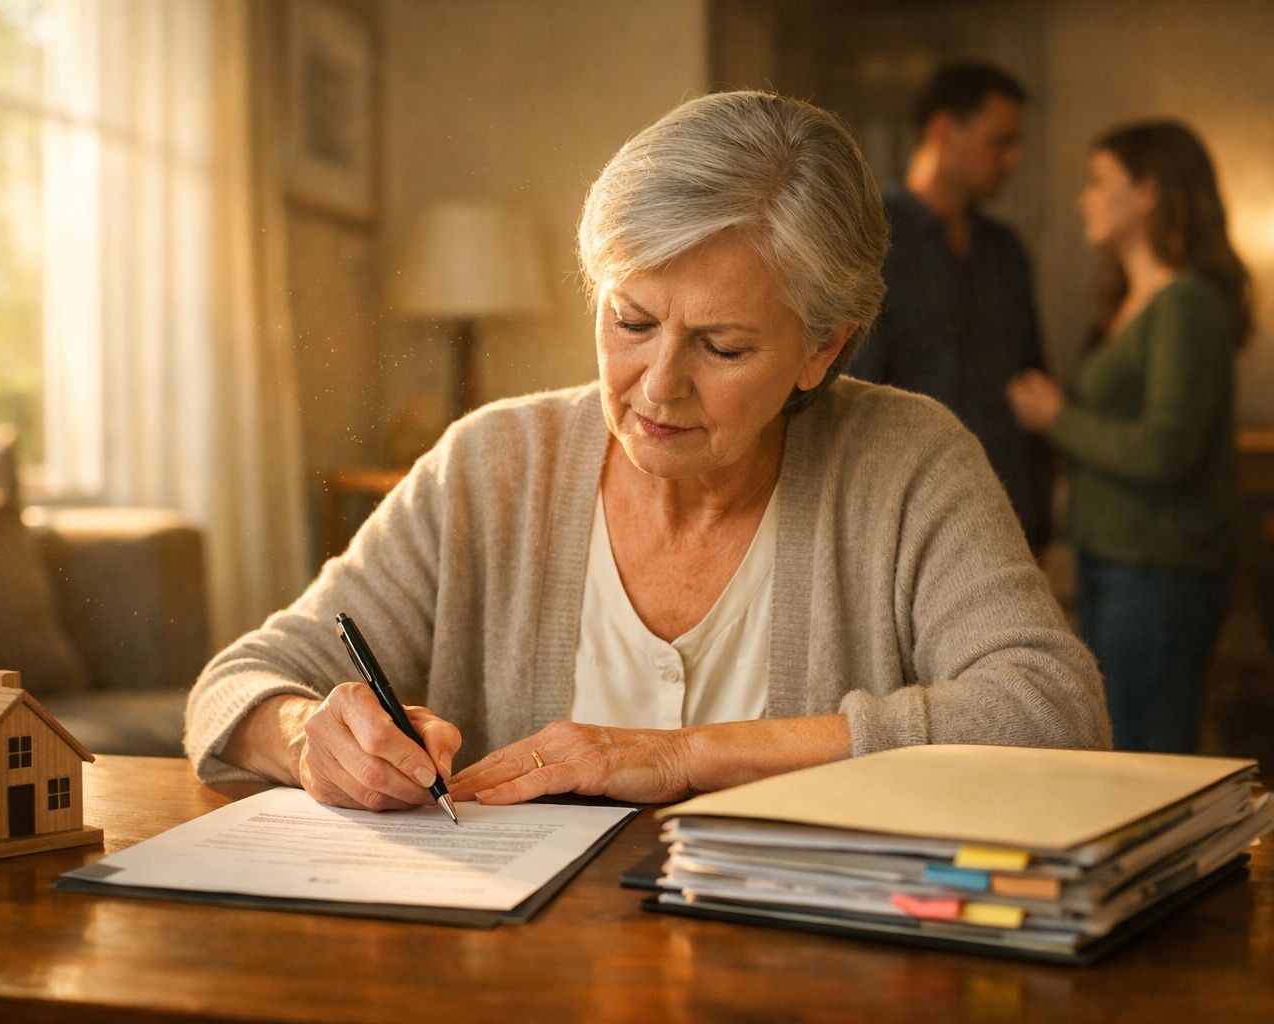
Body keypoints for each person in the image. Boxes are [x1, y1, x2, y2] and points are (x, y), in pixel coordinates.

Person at [186, 91, 1107, 811]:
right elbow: (238, 683)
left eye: (723, 346)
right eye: (629, 320)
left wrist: (684, 756)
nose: (656, 385)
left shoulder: (908, 464)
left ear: (822, 348)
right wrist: (312, 734)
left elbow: (1053, 713)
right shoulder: (491, 463)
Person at [1008, 121, 1250, 754]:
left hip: (1159, 566)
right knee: (1121, 742)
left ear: (1147, 194)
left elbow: (1167, 449)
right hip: (1117, 560)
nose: (1085, 198)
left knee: (1148, 752)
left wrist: (1057, 417)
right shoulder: (1131, 299)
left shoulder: (1187, 303)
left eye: (1099, 182)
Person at [851, 63, 1054, 552]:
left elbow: (1031, 380)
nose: (1013, 160)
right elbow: (849, 387)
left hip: (1008, 511)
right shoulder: (869, 238)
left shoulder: (1005, 250)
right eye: (999, 142)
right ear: (944, 130)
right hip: (906, 513)